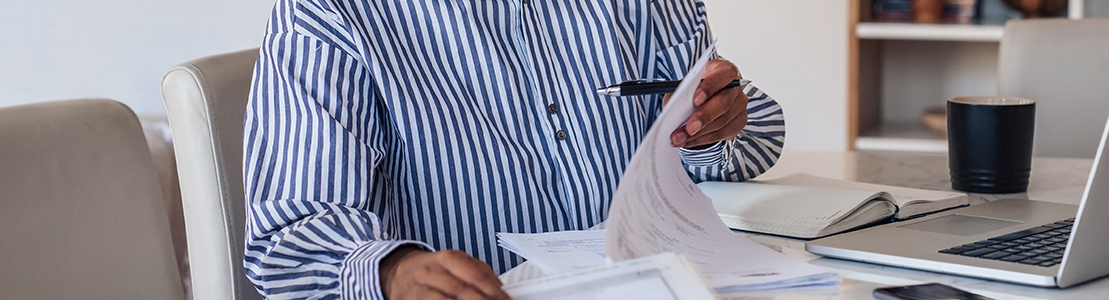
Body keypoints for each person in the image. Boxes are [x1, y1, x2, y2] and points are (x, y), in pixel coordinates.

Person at [241, 0, 785, 299]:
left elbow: (741, 145)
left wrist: (715, 125)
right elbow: (290, 238)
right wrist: (393, 274)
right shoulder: (330, 13)